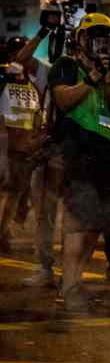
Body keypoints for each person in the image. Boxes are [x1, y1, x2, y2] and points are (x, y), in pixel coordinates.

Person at [50, 13, 110, 311]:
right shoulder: (66, 66)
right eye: (95, 37)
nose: (101, 44)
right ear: (82, 39)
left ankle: (74, 281)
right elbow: (63, 100)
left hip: (107, 159)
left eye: (105, 38)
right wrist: (92, 78)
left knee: (94, 226)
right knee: (75, 226)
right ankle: (69, 287)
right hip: (77, 156)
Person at [8, 28, 62, 286]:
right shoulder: (28, 73)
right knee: (45, 209)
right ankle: (46, 267)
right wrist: (44, 30)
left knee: (77, 212)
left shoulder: (53, 70)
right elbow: (20, 58)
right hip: (44, 149)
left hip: (67, 149)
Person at [0, 37, 47, 254]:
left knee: (17, 193)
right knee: (11, 193)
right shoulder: (4, 81)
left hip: (25, 149)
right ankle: (3, 234)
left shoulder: (30, 85)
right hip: (8, 148)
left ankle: (6, 232)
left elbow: (36, 116)